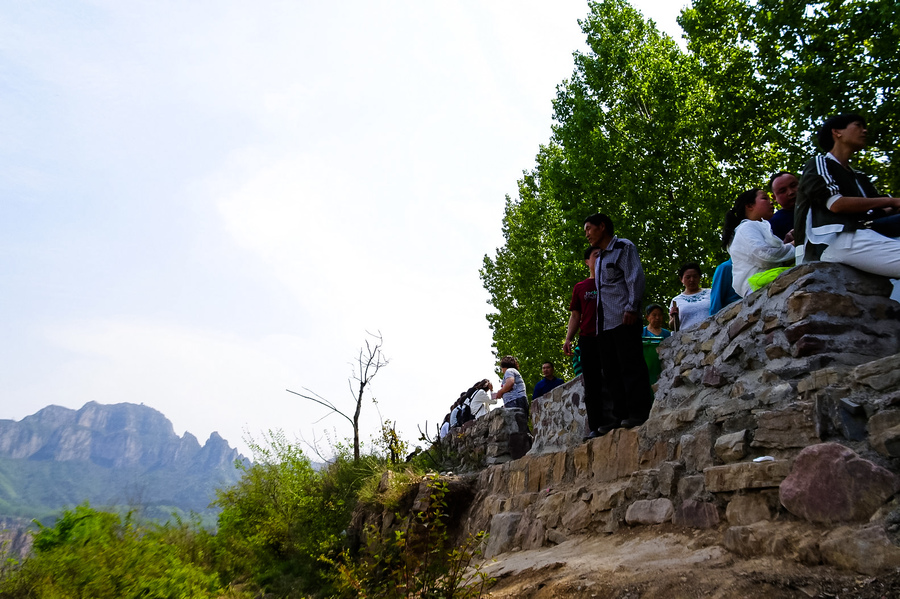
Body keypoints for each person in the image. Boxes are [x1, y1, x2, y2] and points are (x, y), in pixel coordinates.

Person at [795, 113, 900, 286]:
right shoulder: (819, 163)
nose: (864, 131)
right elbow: (836, 204)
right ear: (837, 132)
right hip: (834, 239)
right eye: (858, 125)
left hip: (863, 233)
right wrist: (891, 201)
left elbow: (879, 210)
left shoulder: (859, 177)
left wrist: (891, 205)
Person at [583, 213, 654, 435]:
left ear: (602, 227)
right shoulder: (600, 257)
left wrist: (632, 308)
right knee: (611, 372)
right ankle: (619, 416)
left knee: (630, 366)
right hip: (604, 326)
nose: (587, 234)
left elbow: (635, 278)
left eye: (589, 229)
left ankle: (639, 412)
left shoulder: (624, 247)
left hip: (624, 319)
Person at [563, 246, 606, 438]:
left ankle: (621, 418)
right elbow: (575, 315)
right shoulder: (580, 287)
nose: (600, 258)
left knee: (615, 377)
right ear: (587, 261)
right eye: (596, 255)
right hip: (588, 339)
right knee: (592, 384)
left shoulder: (612, 282)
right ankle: (596, 426)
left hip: (610, 335)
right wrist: (568, 338)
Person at [723, 189, 795, 297]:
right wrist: (793, 246)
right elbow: (764, 255)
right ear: (749, 206)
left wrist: (785, 243)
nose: (771, 202)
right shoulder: (747, 227)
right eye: (764, 198)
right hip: (761, 290)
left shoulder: (753, 228)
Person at [668, 262, 711, 331]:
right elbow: (672, 326)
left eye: (695, 276)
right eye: (688, 277)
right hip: (686, 339)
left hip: (710, 334)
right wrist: (674, 317)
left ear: (700, 277)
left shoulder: (710, 293)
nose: (692, 280)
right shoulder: (676, 300)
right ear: (681, 279)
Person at [769, 171, 798, 242]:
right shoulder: (772, 224)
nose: (791, 192)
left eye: (793, 185)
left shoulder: (822, 205)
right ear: (774, 197)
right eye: (782, 191)